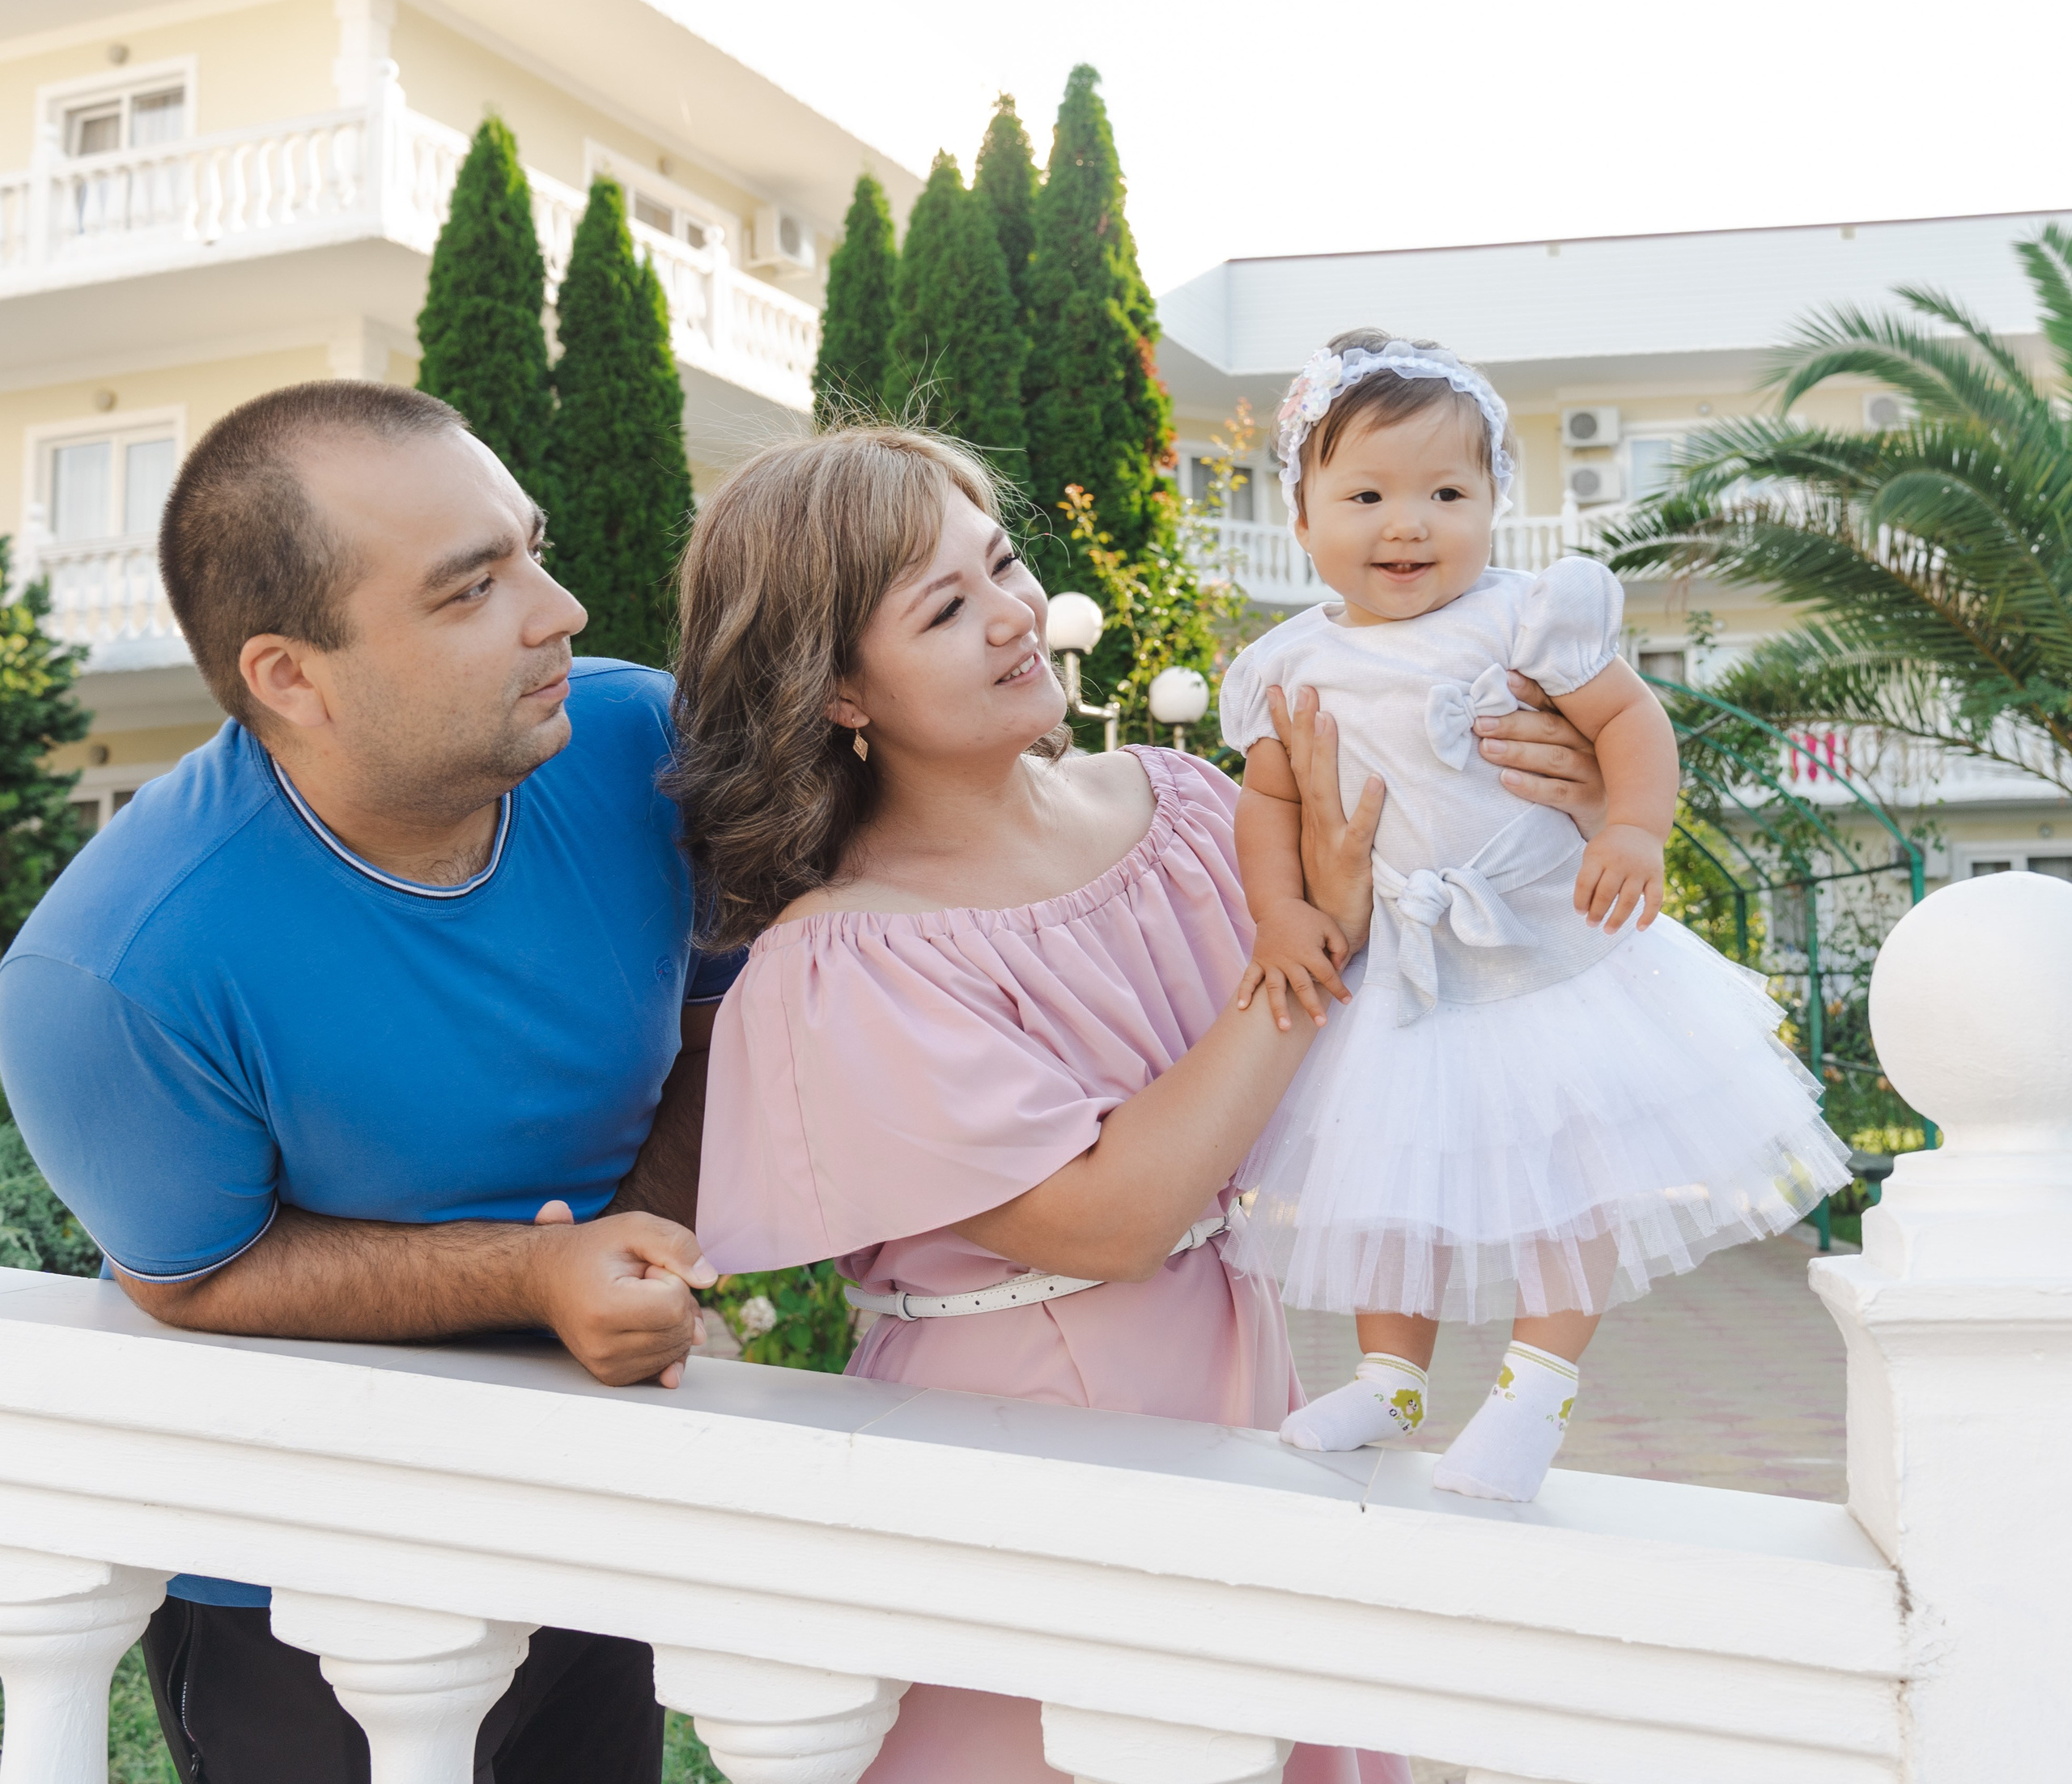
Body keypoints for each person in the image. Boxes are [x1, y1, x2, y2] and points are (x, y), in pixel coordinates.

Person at [674, 423, 1611, 1783]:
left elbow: (1422, 966)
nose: (1013, 616)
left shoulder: (1182, 808)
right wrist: (1305, 953)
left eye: (1003, 564)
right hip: (1017, 1465)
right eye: (944, 609)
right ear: (837, 693)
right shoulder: (845, 960)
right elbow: (1110, 1220)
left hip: (1247, 1407)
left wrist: (1566, 801)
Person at [0, 380, 735, 1784]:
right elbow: (196, 1276)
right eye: (472, 589)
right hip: (293, 1563)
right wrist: (538, 1276)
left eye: (532, 548)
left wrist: (635, 1248)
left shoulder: (648, 751)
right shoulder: (111, 974)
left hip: (592, 1490)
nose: (561, 610)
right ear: (291, 677)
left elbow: (727, 1024)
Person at [1220, 330, 1852, 1503]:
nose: (1408, 525)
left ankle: (1535, 1390)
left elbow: (1631, 722)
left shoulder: (1521, 619)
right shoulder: (1284, 664)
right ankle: (1390, 1378)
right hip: (1405, 974)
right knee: (1391, 1185)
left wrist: (1633, 830)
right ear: (1300, 518)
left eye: (1446, 494)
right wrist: (1277, 913)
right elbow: (1267, 804)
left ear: (1494, 503)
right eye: (1366, 496)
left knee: (1570, 1180)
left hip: (1549, 958)